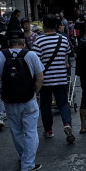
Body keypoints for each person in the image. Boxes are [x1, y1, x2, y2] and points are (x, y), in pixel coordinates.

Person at [0, 30, 44, 171]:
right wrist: (34, 93)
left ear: (8, 43)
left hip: (9, 100)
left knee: (16, 130)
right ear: (23, 43)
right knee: (31, 131)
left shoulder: (0, 55)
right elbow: (40, 77)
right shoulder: (31, 55)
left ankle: (22, 156)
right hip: (28, 99)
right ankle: (28, 164)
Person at [32, 14, 75, 143]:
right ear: (56, 26)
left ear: (44, 26)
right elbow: (67, 57)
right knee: (63, 103)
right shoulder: (63, 39)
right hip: (61, 77)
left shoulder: (38, 41)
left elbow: (35, 61)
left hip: (44, 79)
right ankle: (67, 124)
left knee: (45, 105)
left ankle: (48, 130)